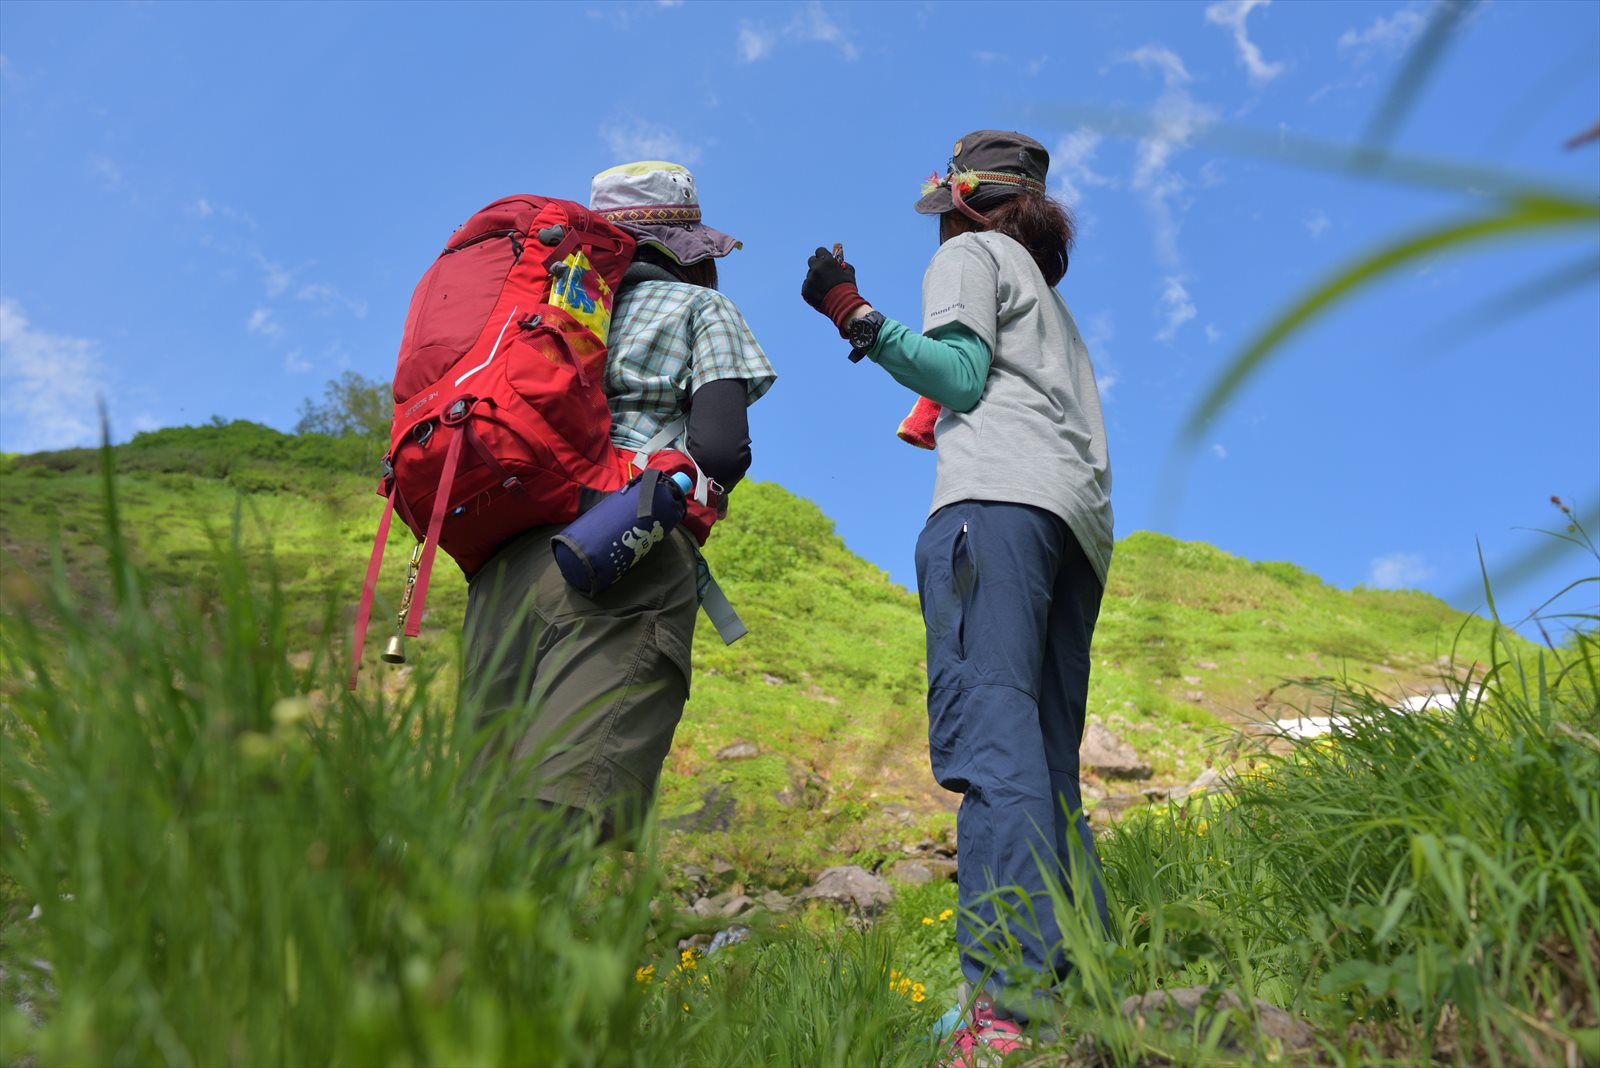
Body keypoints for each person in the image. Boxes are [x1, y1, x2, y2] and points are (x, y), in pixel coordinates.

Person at [801, 130, 1113, 1060]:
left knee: (991, 740)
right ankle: (1083, 991)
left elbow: (957, 375)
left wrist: (850, 312)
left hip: (993, 514)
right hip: (1075, 531)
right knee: (1048, 763)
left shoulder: (971, 256)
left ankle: (1006, 1005)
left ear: (961, 203)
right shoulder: (1055, 310)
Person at [464, 161, 775, 842]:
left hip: (501, 576)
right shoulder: (700, 307)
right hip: (618, 552)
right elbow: (721, 451)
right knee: (562, 812)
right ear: (687, 247)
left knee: (478, 813)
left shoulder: (536, 313)